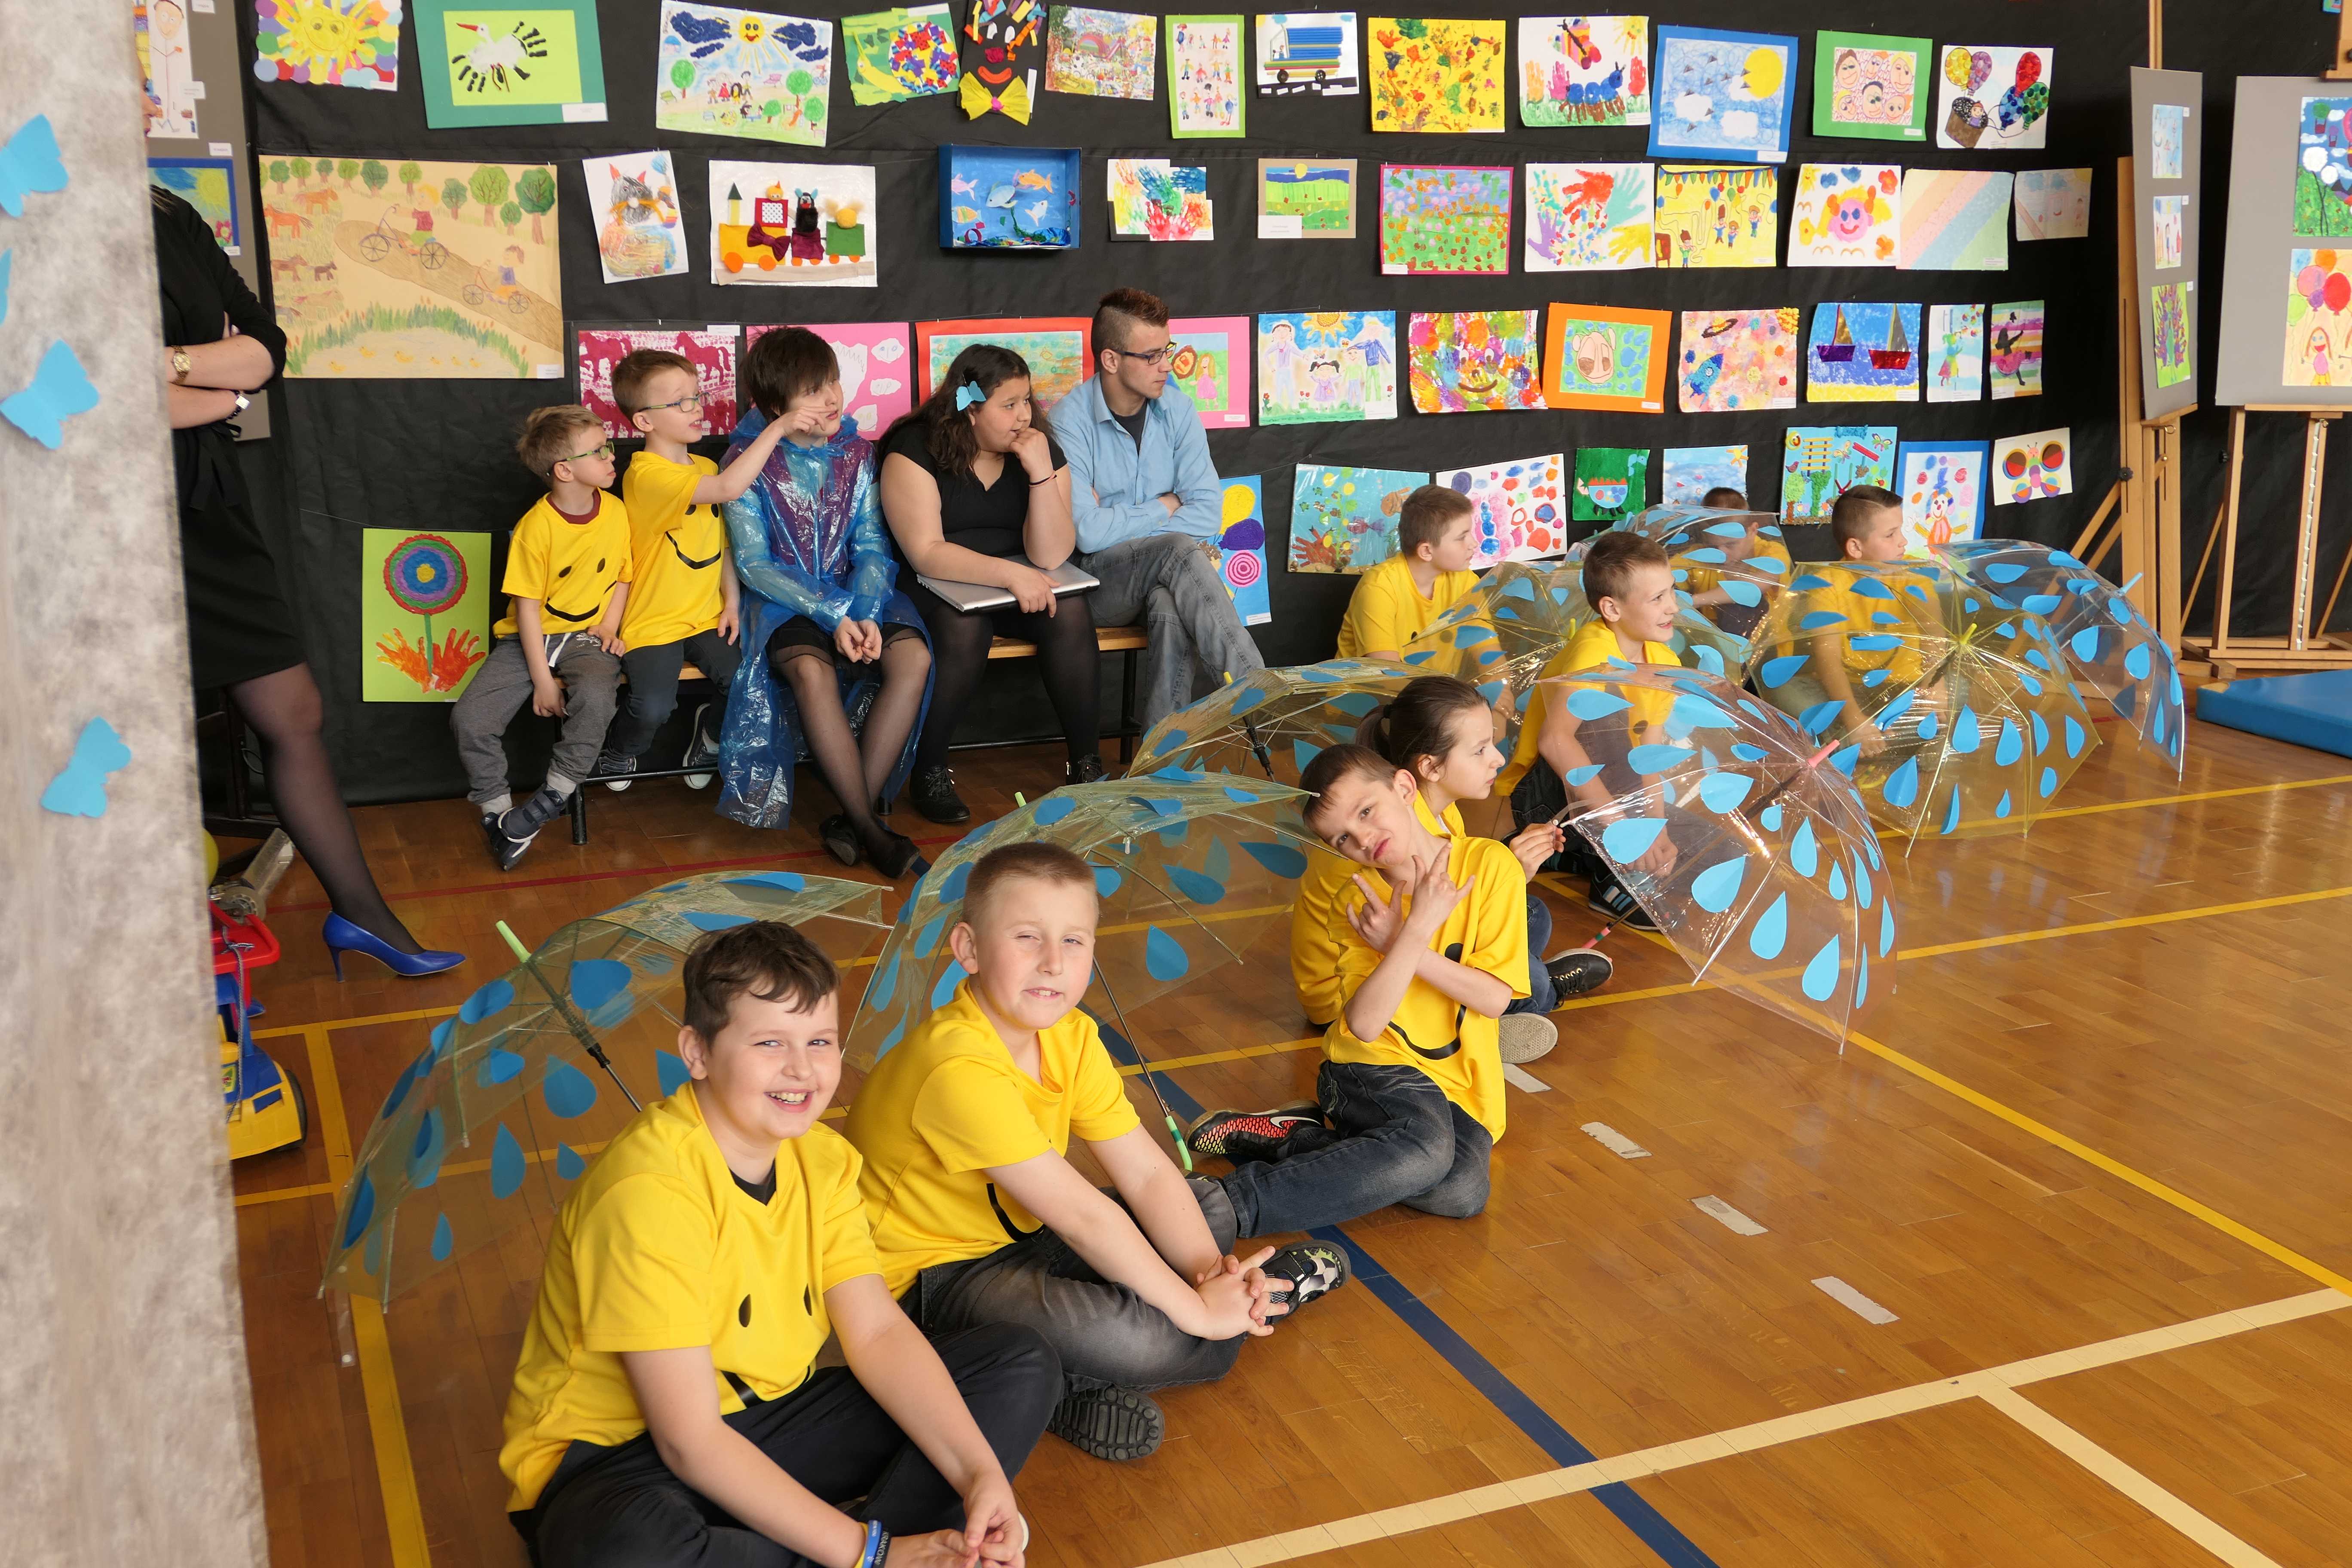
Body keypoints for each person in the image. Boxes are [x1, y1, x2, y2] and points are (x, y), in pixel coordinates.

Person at [500, 920, 1059, 1568]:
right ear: (697, 1052)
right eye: (769, 1042)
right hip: (620, 1465)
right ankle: (868, 1551)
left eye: (820, 1041)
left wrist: (979, 1476)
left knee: (1018, 1364)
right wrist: (870, 1555)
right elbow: (689, 1442)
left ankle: (890, 1551)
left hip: (765, 1421)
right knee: (631, 1550)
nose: (802, 1069)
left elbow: (878, 1333)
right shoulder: (647, 1193)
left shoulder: (823, 1159)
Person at [845, 843, 1348, 1464]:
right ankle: (1058, 1381)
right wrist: (1199, 1313)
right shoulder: (955, 1066)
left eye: (1074, 941)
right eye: (1027, 937)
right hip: (932, 1284)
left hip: (1027, 1237)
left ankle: (1049, 1373)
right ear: (969, 949)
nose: (1053, 963)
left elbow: (1145, 1172)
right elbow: (1085, 1218)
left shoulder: (1073, 1036)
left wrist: (1209, 1276)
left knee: (1205, 1204)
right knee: (1145, 1342)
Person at [151, 185, 462, 978]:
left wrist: (174, 368)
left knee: (294, 711)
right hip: (105, 511)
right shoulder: (35, 214)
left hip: (208, 503)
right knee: (132, 738)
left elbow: (264, 349)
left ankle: (361, 914)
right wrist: (213, 385)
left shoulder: (168, 213)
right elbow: (85, 390)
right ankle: (150, 965)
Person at [1186, 744, 1528, 1234]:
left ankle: (1297, 1139)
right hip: (1372, 1067)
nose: (1363, 839)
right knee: (1426, 1150)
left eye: (1367, 811)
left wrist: (1404, 941)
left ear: (1405, 788)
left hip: (1459, 1085)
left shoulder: (1491, 865)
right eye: (1343, 838)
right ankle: (1222, 1205)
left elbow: (1494, 999)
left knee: (1461, 1191)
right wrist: (1414, 930)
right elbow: (1365, 1026)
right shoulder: (1358, 900)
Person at [1286, 679, 1612, 1057]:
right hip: (1356, 994)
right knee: (1532, 984)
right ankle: (1538, 991)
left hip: (1416, 943)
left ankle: (1515, 987)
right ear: (1430, 767)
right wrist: (1507, 871)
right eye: (1479, 750)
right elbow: (1422, 928)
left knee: (1533, 914)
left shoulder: (1439, 814)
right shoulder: (1377, 844)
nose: (1498, 759)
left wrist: (1512, 872)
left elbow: (1452, 899)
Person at [720, 329, 932, 876]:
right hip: (783, 601)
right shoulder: (746, 461)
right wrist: (832, 613)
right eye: (812, 391)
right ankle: (871, 828)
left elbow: (872, 544)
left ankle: (853, 820)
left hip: (861, 592)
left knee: (914, 658)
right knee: (811, 673)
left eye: (832, 382)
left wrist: (862, 611)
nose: (832, 398)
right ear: (776, 407)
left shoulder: (860, 454)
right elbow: (755, 565)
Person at [880, 346, 1095, 825]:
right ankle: (929, 770)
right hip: (936, 582)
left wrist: (1040, 474)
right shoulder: (915, 449)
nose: (1025, 416)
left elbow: (1050, 556)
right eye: (1009, 404)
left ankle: (1086, 764)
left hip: (1016, 579)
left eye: (1028, 401)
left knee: (1070, 611)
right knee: (965, 627)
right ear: (971, 409)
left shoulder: (1039, 448)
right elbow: (926, 552)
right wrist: (1010, 575)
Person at [1059, 289, 1265, 731]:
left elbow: (1207, 513)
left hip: (1162, 580)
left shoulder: (1179, 410)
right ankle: (1258, 694)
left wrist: (1122, 518)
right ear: (1111, 360)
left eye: (1166, 350)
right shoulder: (1068, 421)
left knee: (1169, 603)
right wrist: (1165, 504)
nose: (1167, 366)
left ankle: (1162, 753)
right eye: (1152, 356)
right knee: (1175, 548)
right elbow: (1087, 535)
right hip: (1094, 585)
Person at [451, 406, 632, 871]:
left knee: (597, 697)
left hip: (586, 637)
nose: (612, 457)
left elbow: (623, 576)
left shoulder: (616, 511)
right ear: (565, 470)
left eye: (609, 447)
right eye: (600, 451)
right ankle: (498, 818)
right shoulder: (536, 528)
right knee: (470, 718)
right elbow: (527, 612)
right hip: (528, 639)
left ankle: (553, 797)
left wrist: (609, 626)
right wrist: (543, 681)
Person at [594, 349, 778, 795]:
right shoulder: (645, 476)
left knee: (746, 684)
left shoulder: (707, 467)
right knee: (652, 708)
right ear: (644, 422)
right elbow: (729, 488)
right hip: (653, 621)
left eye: (697, 397)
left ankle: (710, 739)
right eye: (680, 402)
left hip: (705, 616)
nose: (696, 408)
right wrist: (778, 427)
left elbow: (722, 544)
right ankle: (619, 749)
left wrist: (731, 601)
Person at [1503, 531, 1682, 931]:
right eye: (1657, 598)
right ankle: (1607, 873)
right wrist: (1623, 828)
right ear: (1611, 609)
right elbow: (1554, 741)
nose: (1673, 606)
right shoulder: (1594, 653)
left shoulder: (1664, 661)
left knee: (1714, 849)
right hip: (1547, 794)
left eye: (1672, 590)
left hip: (1610, 791)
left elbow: (1649, 755)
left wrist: (1656, 828)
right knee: (1609, 706)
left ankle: (1570, 851)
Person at [1758, 485, 1936, 758]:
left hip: (1902, 689)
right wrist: (1854, 719)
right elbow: (1827, 660)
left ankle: (1848, 745)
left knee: (1955, 691)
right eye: (1890, 535)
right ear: (1855, 547)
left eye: (1900, 531)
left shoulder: (1915, 575)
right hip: (1846, 691)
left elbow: (1934, 636)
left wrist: (1935, 686)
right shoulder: (1827, 584)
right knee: (1785, 692)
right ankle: (1878, 741)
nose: (1903, 542)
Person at [1335, 485, 1480, 662]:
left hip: (1434, 681)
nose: (1474, 544)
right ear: (1426, 551)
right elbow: (1387, 670)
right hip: (1380, 679)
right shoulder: (1379, 586)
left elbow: (1486, 647)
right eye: (1462, 537)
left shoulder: (1467, 581)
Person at [1669, 487, 1787, 640]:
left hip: (1767, 643)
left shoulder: (1773, 552)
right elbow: (1661, 574)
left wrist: (1694, 601)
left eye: (1731, 545)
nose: (1721, 554)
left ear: (1753, 530)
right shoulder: (1698, 554)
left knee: (1742, 607)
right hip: (1712, 643)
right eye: (1713, 546)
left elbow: (1753, 588)